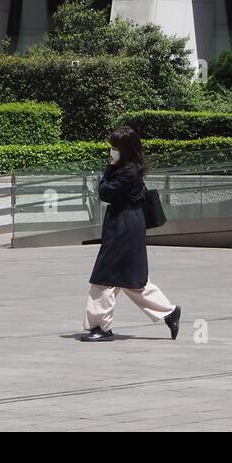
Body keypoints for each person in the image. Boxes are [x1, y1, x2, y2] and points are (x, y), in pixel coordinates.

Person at [81, 125, 180, 343]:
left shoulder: (128, 171)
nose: (112, 150)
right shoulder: (127, 168)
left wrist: (108, 169)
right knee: (130, 280)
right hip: (126, 224)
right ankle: (169, 311)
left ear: (125, 148)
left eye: (115, 147)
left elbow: (105, 192)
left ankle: (101, 328)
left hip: (124, 226)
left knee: (105, 277)